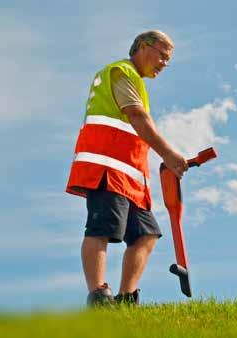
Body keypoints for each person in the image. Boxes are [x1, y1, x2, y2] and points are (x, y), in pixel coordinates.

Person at [66, 30, 188, 307]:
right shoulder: (121, 72)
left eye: (168, 60)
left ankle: (125, 299)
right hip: (106, 167)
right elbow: (136, 116)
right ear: (144, 47)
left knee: (146, 234)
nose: (164, 64)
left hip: (130, 177)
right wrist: (168, 154)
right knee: (101, 230)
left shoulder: (135, 81)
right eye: (162, 56)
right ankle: (99, 297)